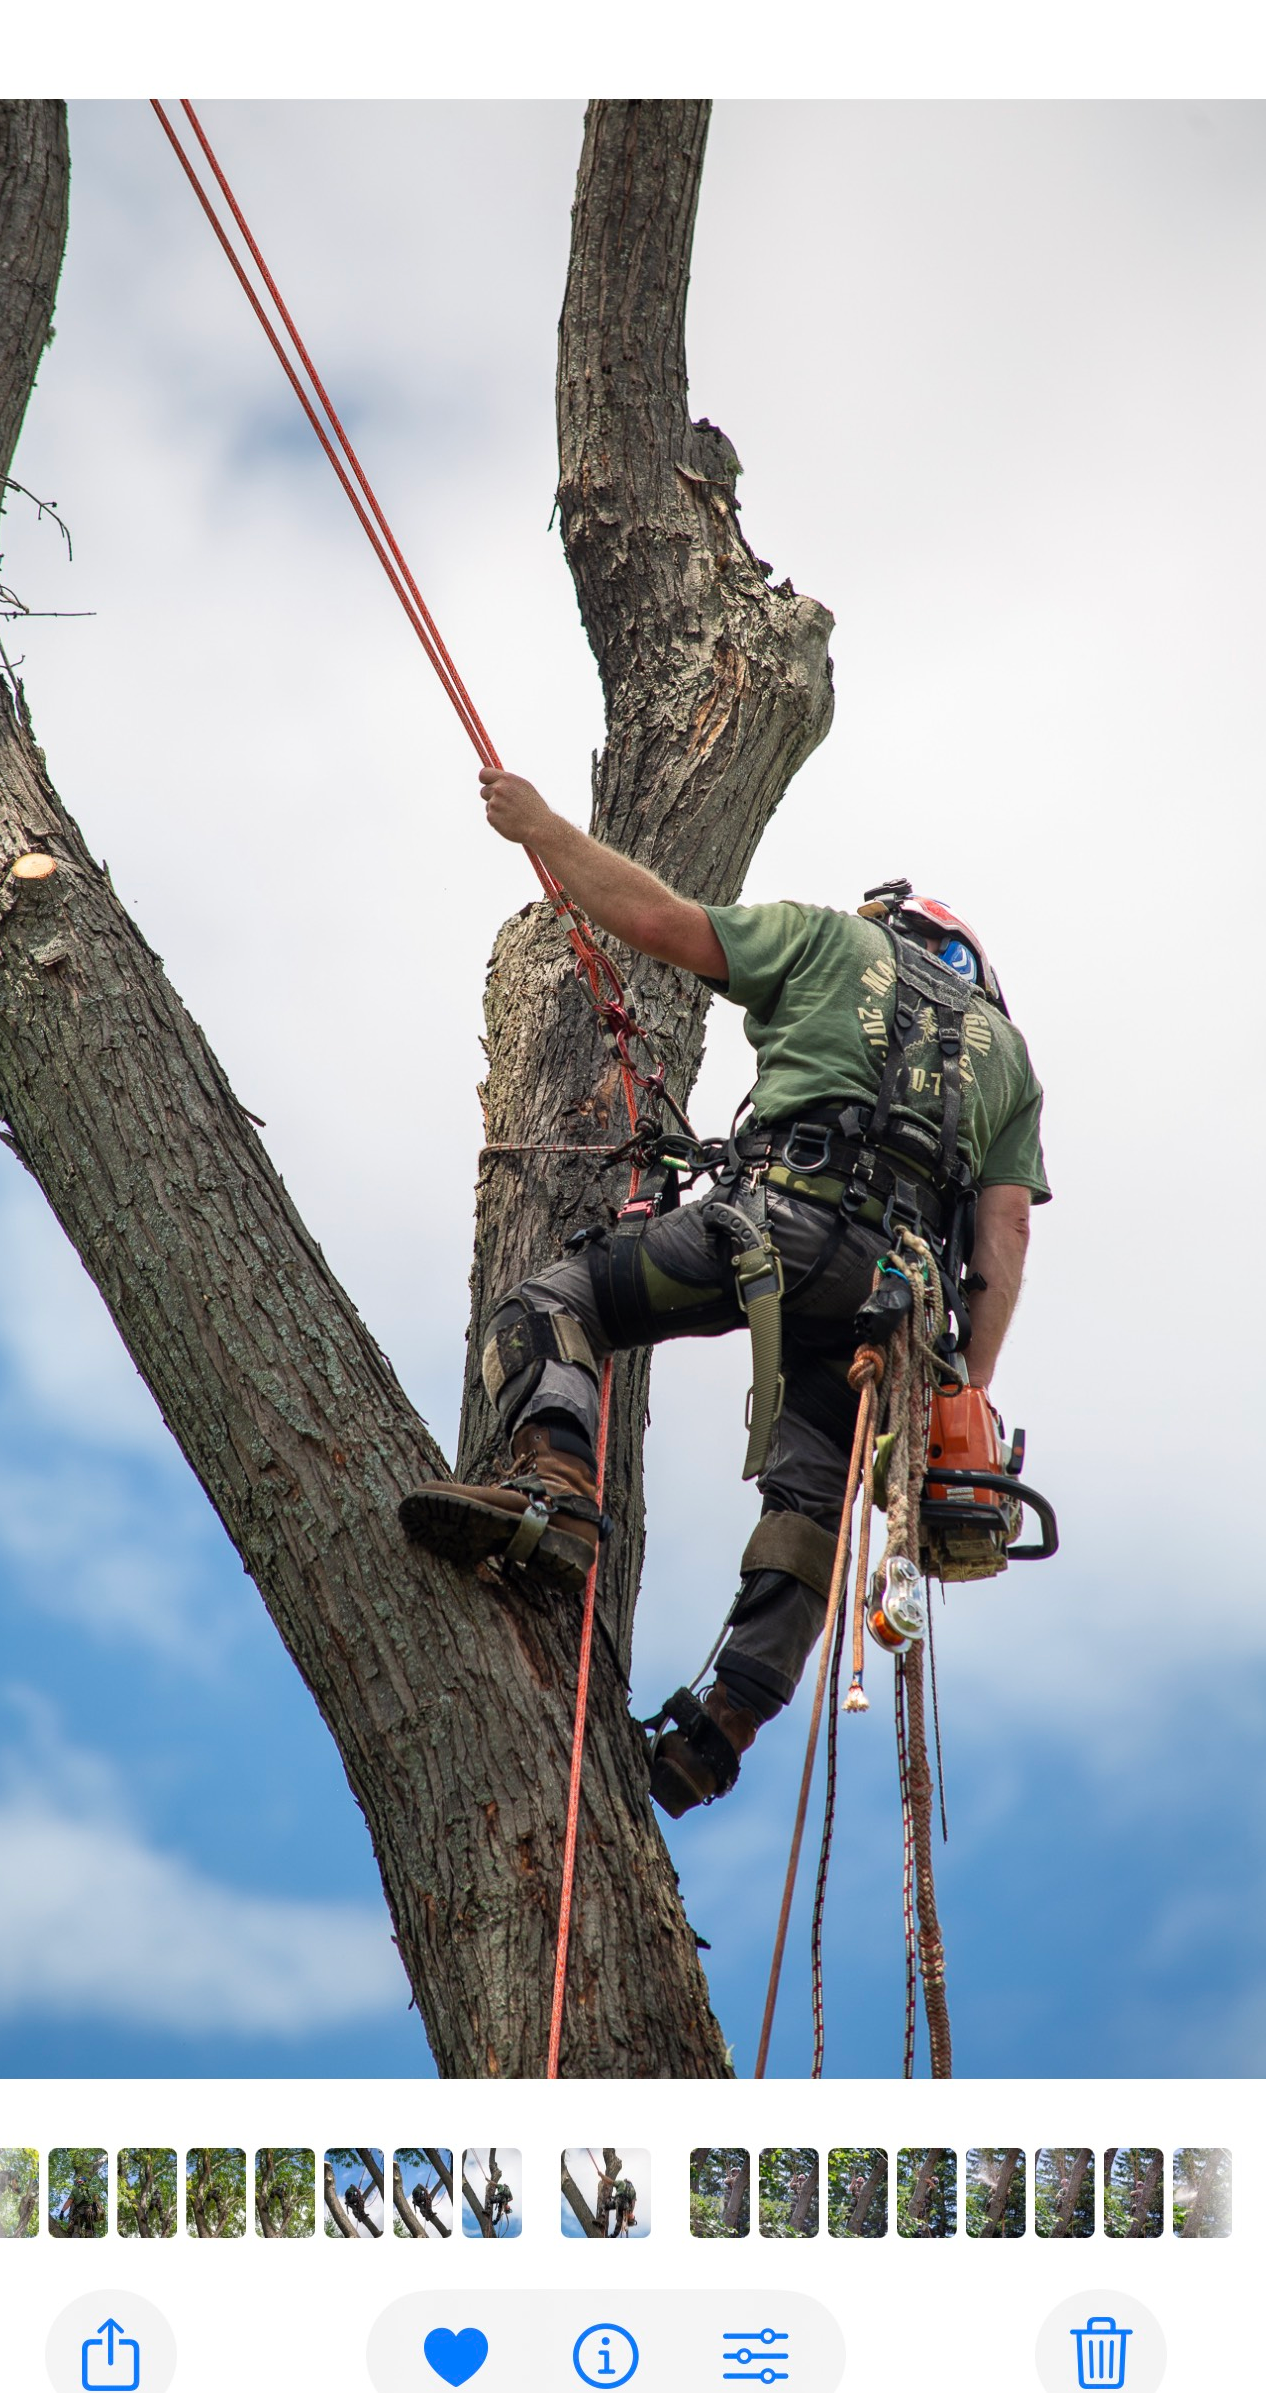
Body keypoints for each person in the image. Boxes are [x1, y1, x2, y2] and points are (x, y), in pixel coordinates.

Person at [401, 771, 1049, 1817]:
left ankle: (558, 1493)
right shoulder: (1008, 1057)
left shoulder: (830, 939)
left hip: (772, 1228)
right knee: (808, 1504)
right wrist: (958, 1394)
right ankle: (725, 1726)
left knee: (554, 1307)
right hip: (890, 1309)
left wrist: (540, 828)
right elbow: (1005, 1234)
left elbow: (659, 921)